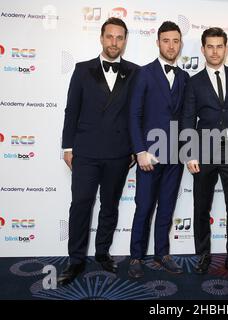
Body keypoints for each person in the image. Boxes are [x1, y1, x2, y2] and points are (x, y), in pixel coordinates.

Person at [58, 17, 139, 285]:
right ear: (102, 38)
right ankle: (76, 260)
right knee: (80, 205)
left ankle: (103, 253)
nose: (114, 42)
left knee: (110, 207)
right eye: (110, 37)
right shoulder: (82, 70)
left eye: (119, 37)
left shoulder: (135, 72)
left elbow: (135, 114)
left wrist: (133, 149)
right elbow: (72, 110)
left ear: (125, 41)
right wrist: (67, 147)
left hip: (118, 153)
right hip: (86, 152)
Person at [182, 27, 228, 281]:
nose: (215, 51)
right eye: (210, 46)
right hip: (204, 152)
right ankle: (203, 255)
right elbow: (188, 118)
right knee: (201, 206)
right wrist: (189, 153)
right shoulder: (193, 82)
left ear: (226, 48)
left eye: (219, 46)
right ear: (203, 49)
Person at [128, 21, 189, 279]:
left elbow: (187, 116)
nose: (171, 45)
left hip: (175, 155)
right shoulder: (144, 73)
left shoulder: (185, 77)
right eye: (166, 40)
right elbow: (134, 114)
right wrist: (140, 150)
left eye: (175, 41)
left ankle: (162, 253)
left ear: (180, 44)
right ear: (158, 42)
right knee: (144, 207)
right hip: (149, 155)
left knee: (166, 207)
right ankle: (135, 257)